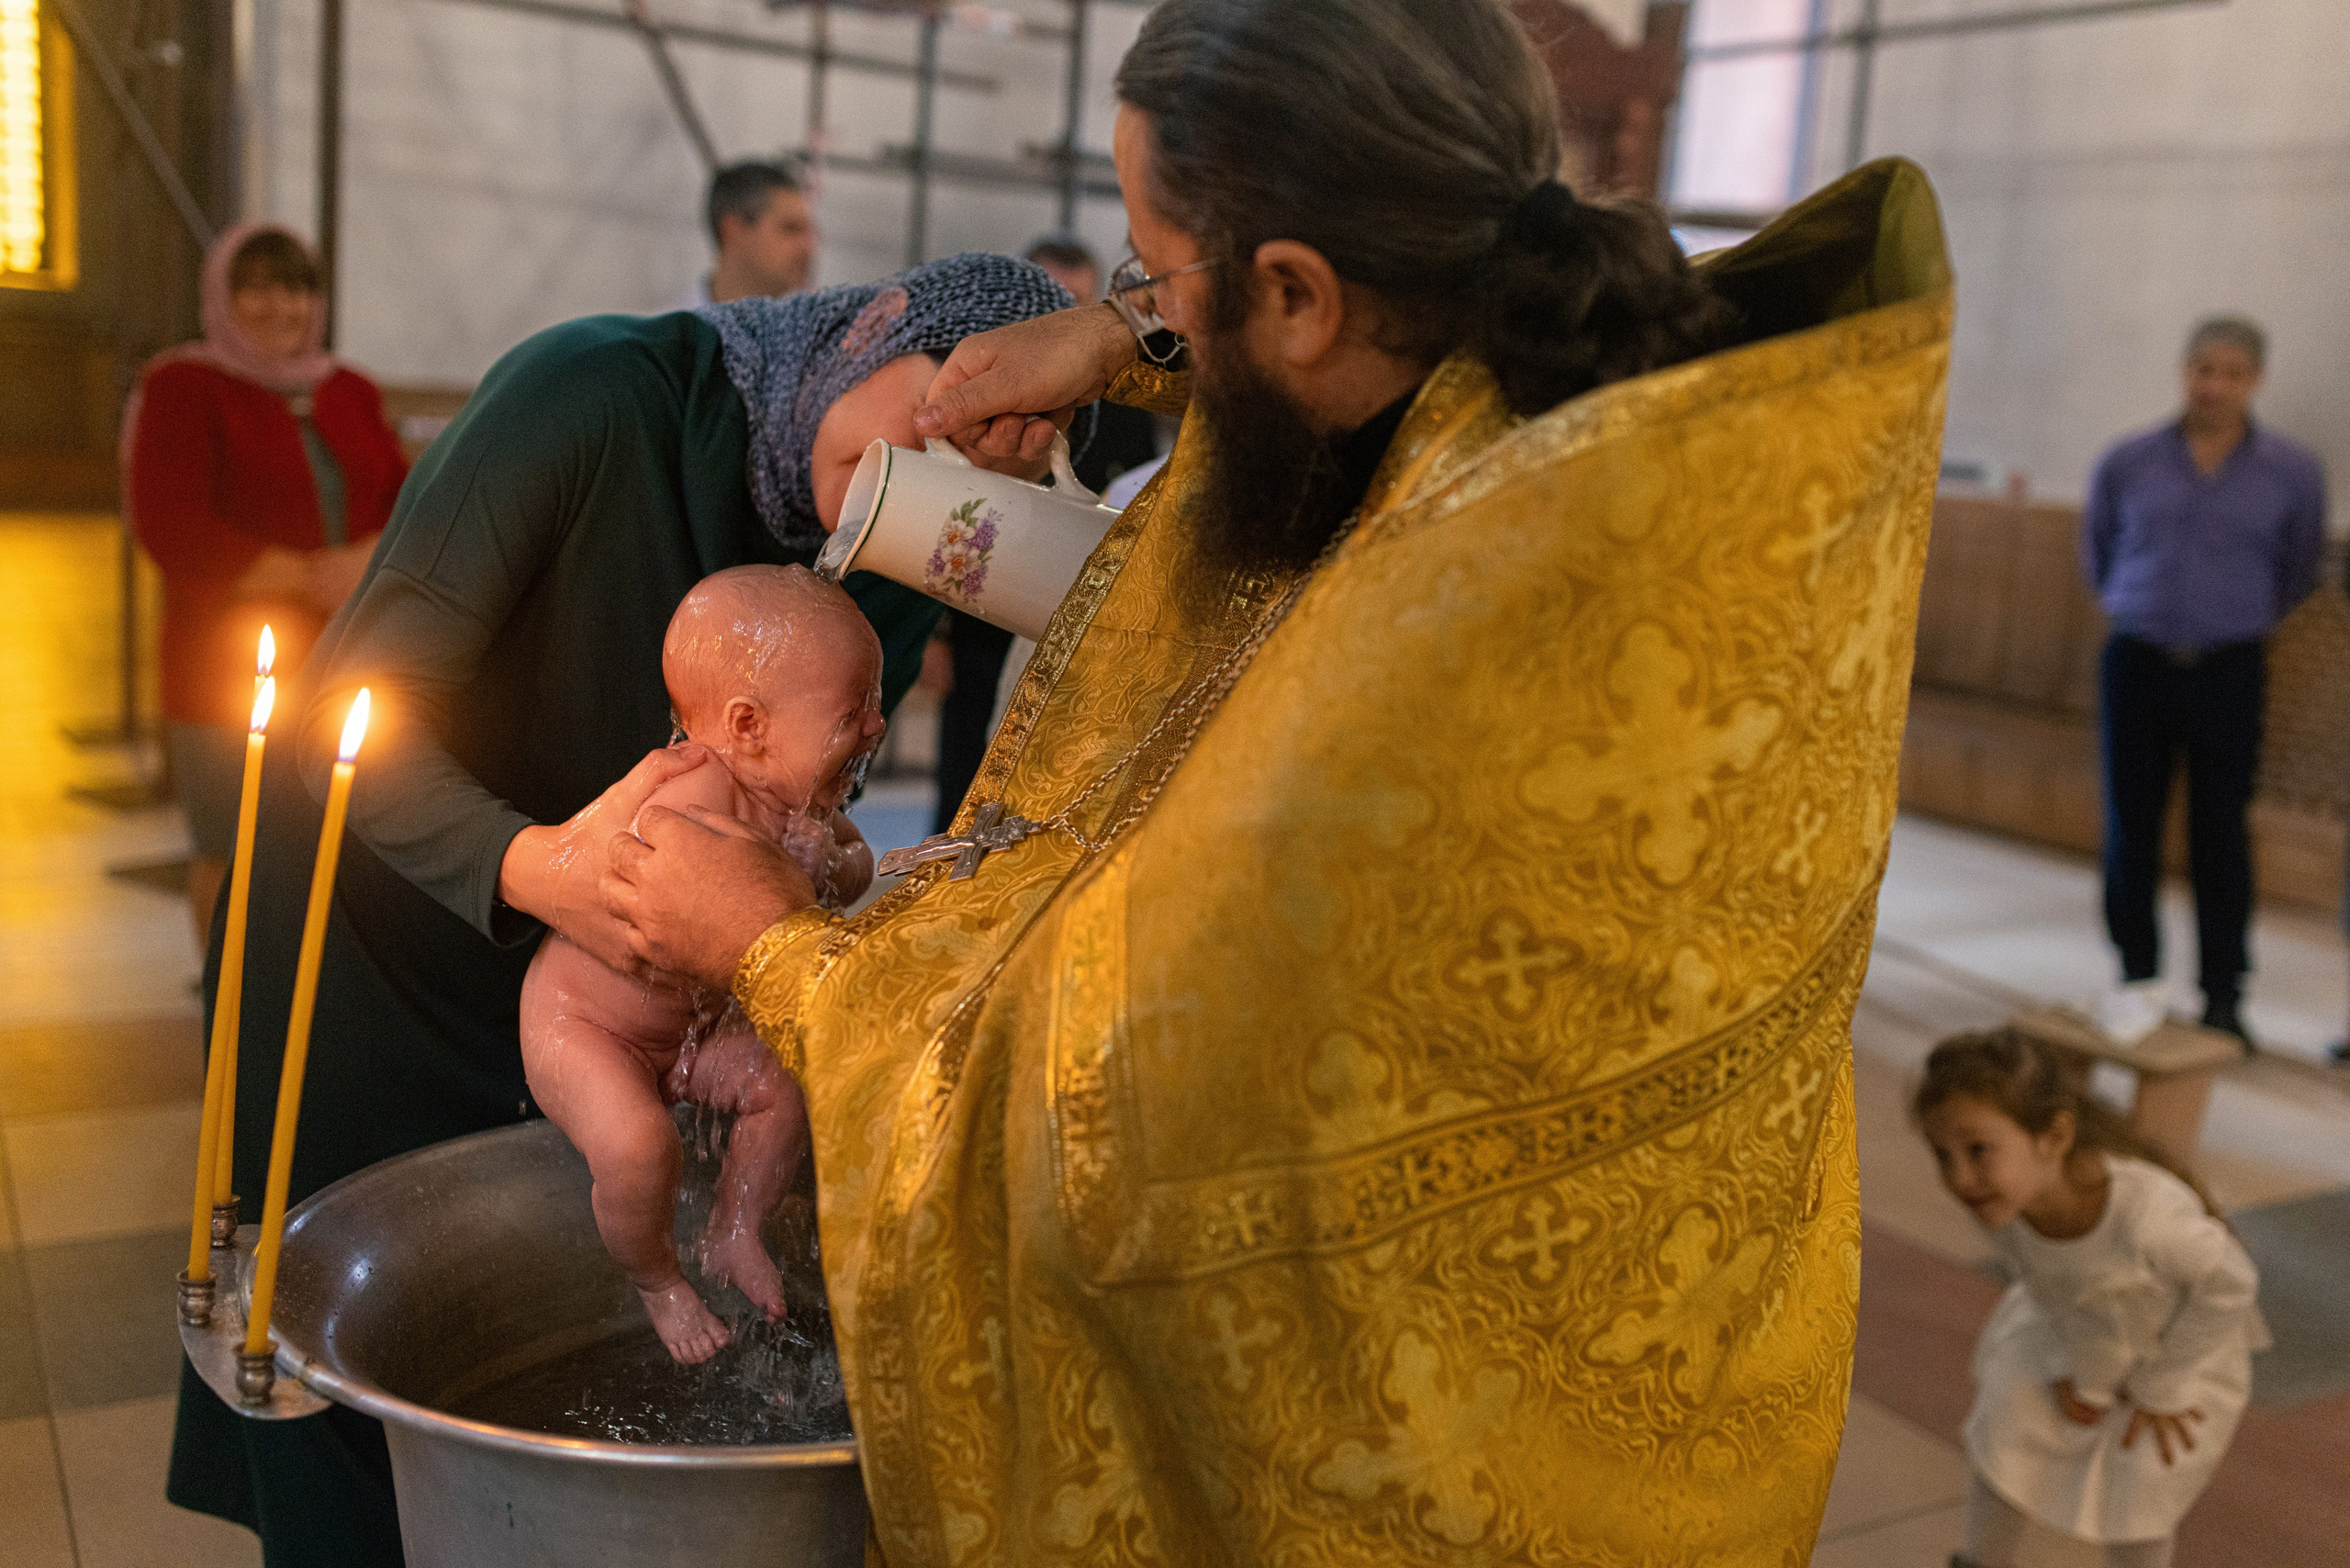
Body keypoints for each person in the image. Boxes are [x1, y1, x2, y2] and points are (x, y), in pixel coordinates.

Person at [603, 0, 1957, 1561]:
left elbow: (1093, 1132)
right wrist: (1136, 339)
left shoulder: (1424, 668)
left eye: (1156, 263)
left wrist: (773, 950)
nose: (1143, 309)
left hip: (1477, 1482)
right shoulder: (1645, 415)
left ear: (1303, 294)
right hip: (1694, 1397)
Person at [166, 252, 1072, 1565]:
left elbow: (810, 806)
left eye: (982, 482)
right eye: (944, 423)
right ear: (878, 328)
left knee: (574, 1324)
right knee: (352, 1379)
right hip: (383, 944)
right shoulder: (589, 399)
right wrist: (547, 873)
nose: (934, 491)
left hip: (622, 992)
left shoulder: (881, 540)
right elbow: (347, 717)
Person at [521, 566, 882, 1364]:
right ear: (749, 726)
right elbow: (705, 883)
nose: (875, 728)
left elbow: (853, 870)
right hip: (585, 1027)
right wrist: (787, 871)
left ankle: (734, 1227)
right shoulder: (687, 789)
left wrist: (833, 862)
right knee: (639, 1149)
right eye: (853, 709)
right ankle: (656, 1279)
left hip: (689, 1031)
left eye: (876, 704)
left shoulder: (801, 799)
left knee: (785, 1086)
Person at [124, 222, 403, 945]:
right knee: (229, 848)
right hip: (225, 670)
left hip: (343, 660)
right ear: (221, 294)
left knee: (334, 847)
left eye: (297, 287)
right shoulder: (183, 385)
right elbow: (172, 524)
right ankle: (230, 1023)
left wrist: (365, 562)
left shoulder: (351, 390)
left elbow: (406, 503)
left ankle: (311, 1020)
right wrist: (318, 576)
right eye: (257, 286)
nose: (281, 305)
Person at [1916, 1028, 2267, 1568]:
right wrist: (2084, 1375)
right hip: (2072, 1330)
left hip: (2176, 1346)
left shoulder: (2147, 1216)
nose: (1960, 1177)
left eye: (1979, 1150)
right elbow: (2045, 1286)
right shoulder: (2006, 1204)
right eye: (1943, 1155)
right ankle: (1979, 1560)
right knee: (2008, 1420)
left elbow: (2232, 1284)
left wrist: (2159, 1386)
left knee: (2143, 1477)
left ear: (2054, 1138)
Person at [2082, 317, 2326, 1052]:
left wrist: (2236, 620)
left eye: (2230, 373)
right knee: (2132, 824)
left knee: (2220, 832)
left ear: (2254, 381)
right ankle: (2137, 977)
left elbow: (2299, 570)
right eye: (2201, 370)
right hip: (2138, 659)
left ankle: (2224, 996)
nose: (2213, 386)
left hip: (2229, 668)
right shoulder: (2129, 461)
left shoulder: (2292, 471)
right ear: (2183, 371)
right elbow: (2098, 553)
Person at [928, 234, 1165, 834]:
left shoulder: (1127, 406)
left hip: (1077, 604)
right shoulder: (980, 387)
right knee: (965, 784)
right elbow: (947, 517)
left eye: (1080, 308)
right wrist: (933, 630)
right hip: (982, 620)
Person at [676, 158, 819, 308]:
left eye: (809, 232)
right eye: (790, 228)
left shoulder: (818, 328)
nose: (809, 247)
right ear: (733, 231)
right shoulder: (667, 330)